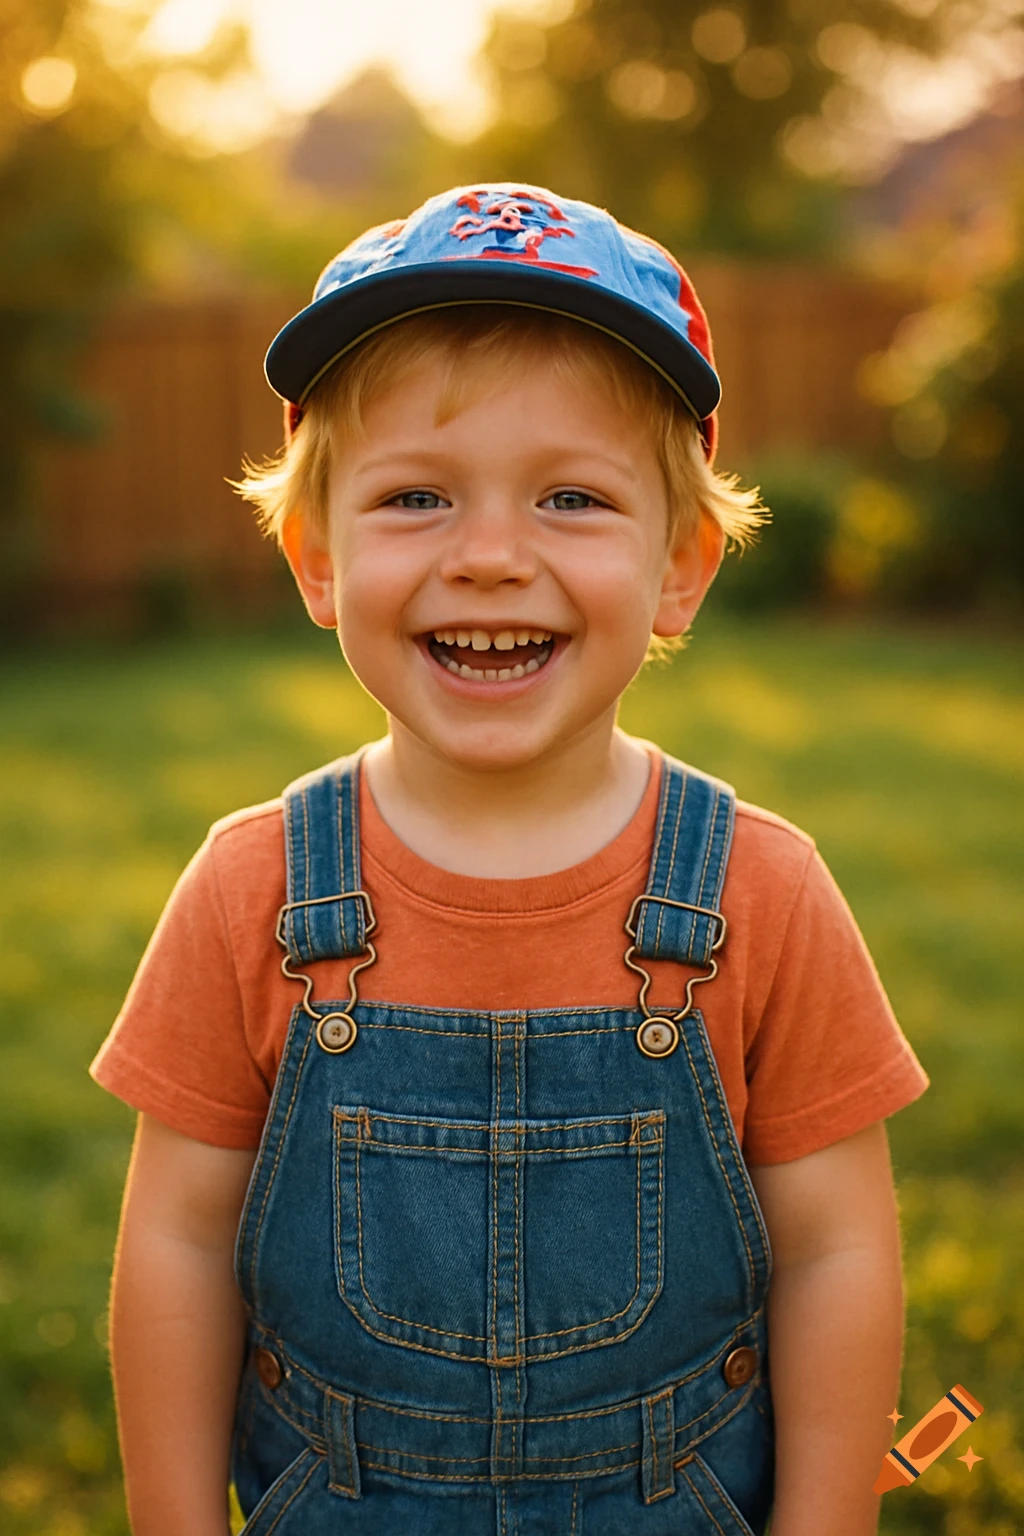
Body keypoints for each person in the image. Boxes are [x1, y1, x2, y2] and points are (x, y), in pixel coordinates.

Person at [91, 184, 929, 1536]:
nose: (490, 557)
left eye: (572, 498)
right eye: (416, 495)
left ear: (682, 567)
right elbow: (178, 1244)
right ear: (317, 556)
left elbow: (837, 1251)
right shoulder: (252, 892)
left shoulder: (758, 893)